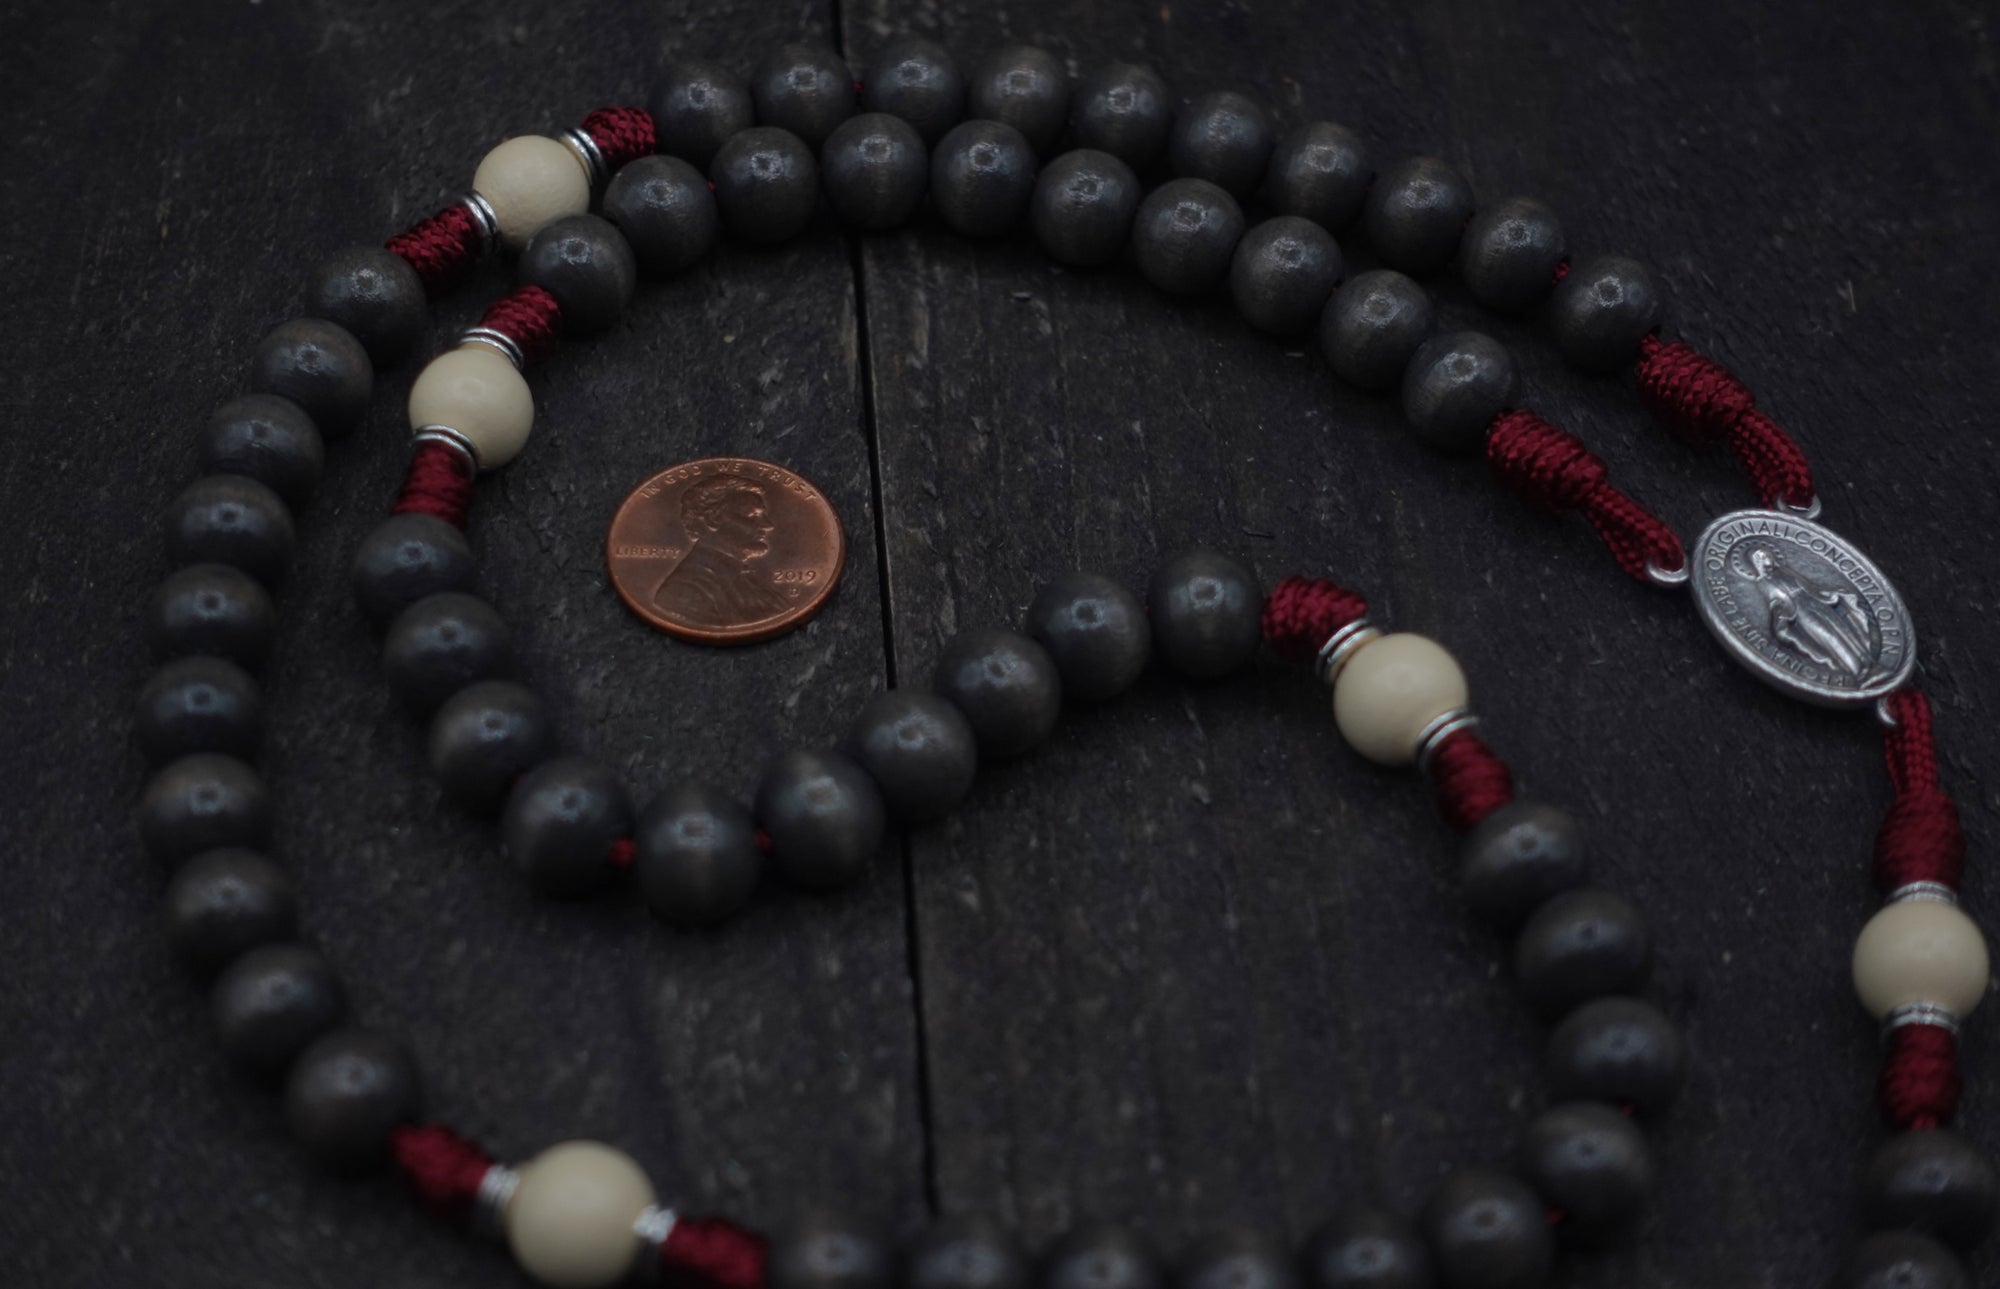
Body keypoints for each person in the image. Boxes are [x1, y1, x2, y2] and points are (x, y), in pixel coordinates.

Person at [651, 475, 795, 623]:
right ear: (712, 518)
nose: (768, 525)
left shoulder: (747, 579)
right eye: (752, 514)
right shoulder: (684, 590)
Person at [1730, 539, 1877, 679]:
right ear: (1756, 563)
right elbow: (1775, 602)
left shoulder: (1786, 571)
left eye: (1765, 555)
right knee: (1830, 636)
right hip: (1800, 611)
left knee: (1843, 629)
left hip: (1816, 601)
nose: (1765, 558)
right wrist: (1780, 614)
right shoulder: (1763, 582)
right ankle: (1855, 669)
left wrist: (1828, 593)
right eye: (1760, 557)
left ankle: (1868, 662)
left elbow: (1808, 586)